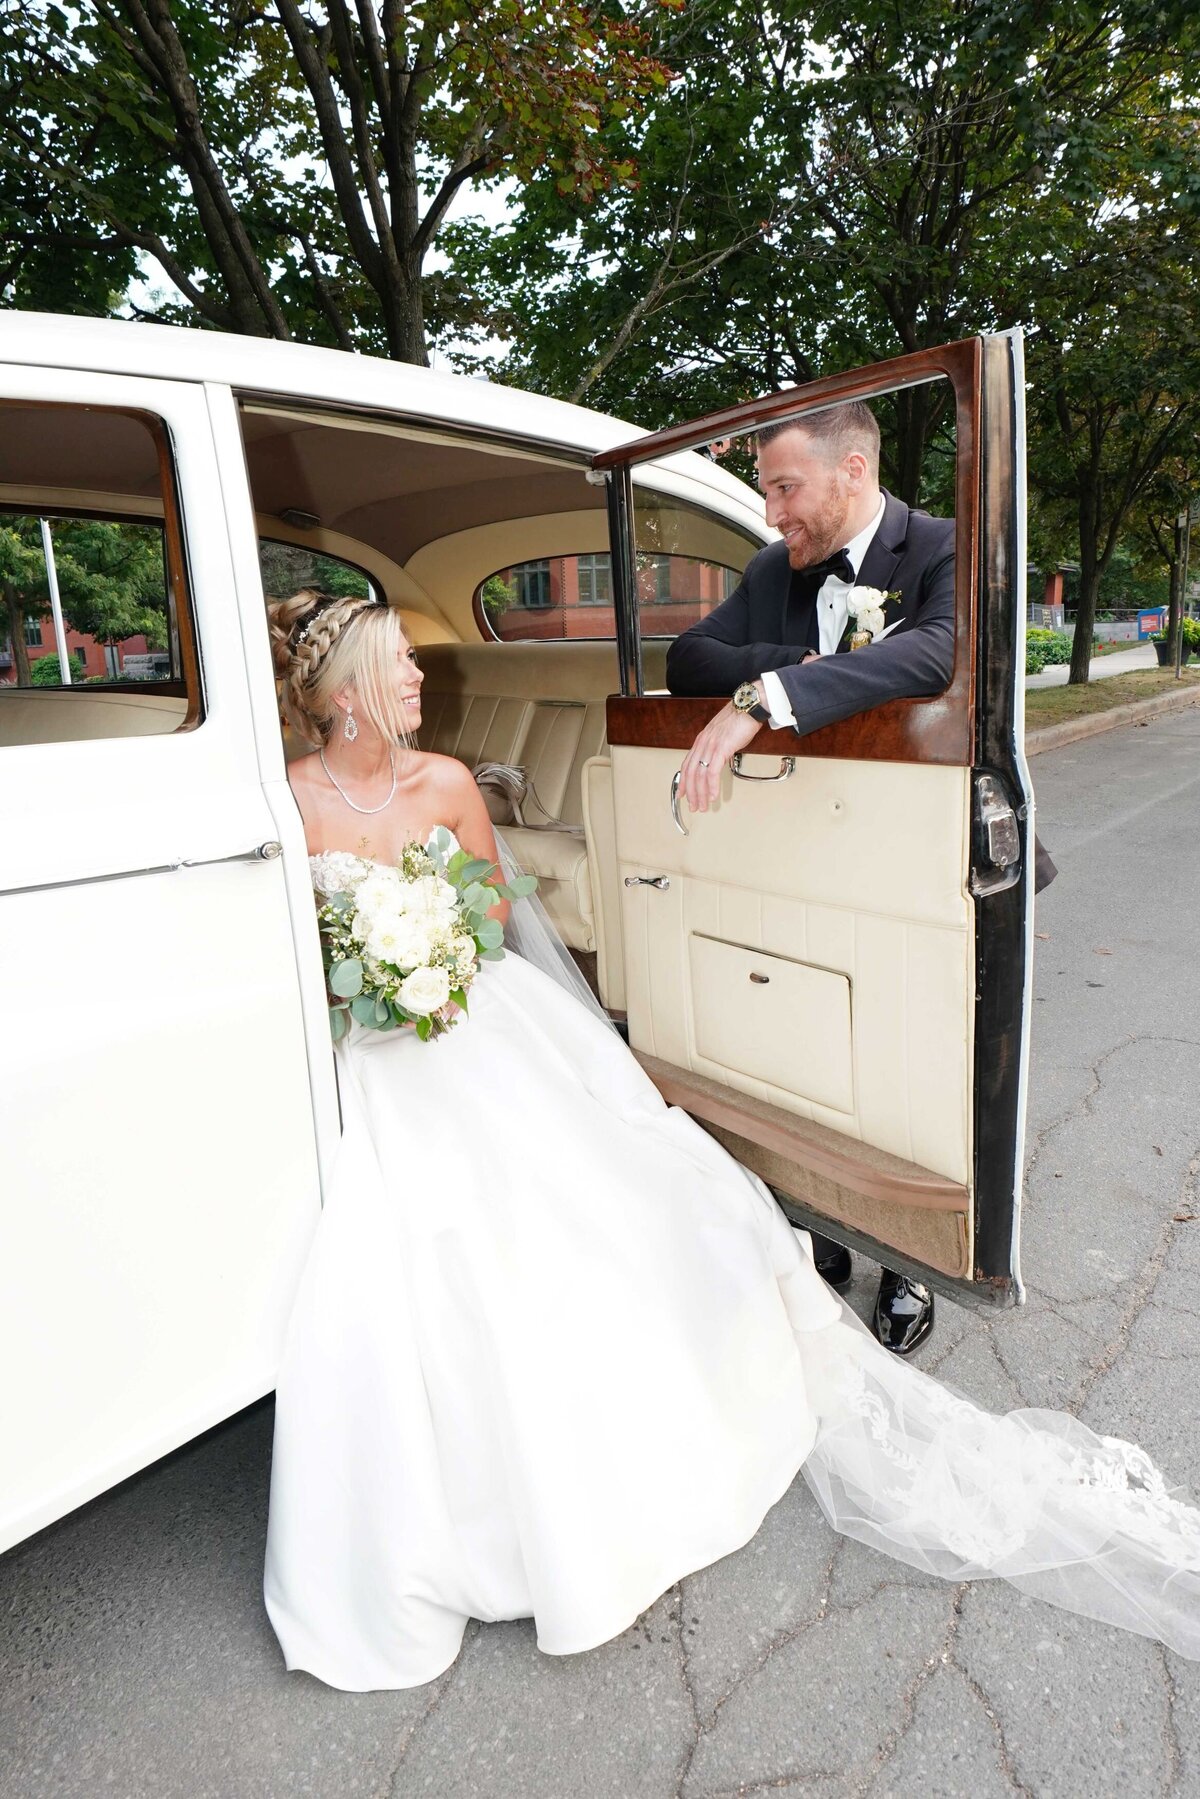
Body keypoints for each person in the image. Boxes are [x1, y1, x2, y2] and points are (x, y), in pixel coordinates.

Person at [263, 585, 1200, 1695]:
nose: (422, 679)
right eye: (402, 667)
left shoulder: (448, 783)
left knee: (615, 1196)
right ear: (353, 697)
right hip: (366, 1057)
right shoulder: (283, 802)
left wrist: (442, 956)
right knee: (414, 1243)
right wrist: (365, 979)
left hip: (472, 1020)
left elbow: (495, 911)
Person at [667, 402, 955, 1354]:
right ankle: (830, 1225)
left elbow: (937, 650)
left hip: (918, 859)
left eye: (784, 488)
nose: (771, 510)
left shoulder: (945, 550)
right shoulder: (769, 570)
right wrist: (789, 664)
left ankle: (913, 1256)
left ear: (855, 471)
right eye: (767, 488)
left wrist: (766, 700)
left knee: (908, 1055)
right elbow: (686, 659)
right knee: (814, 1048)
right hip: (800, 854)